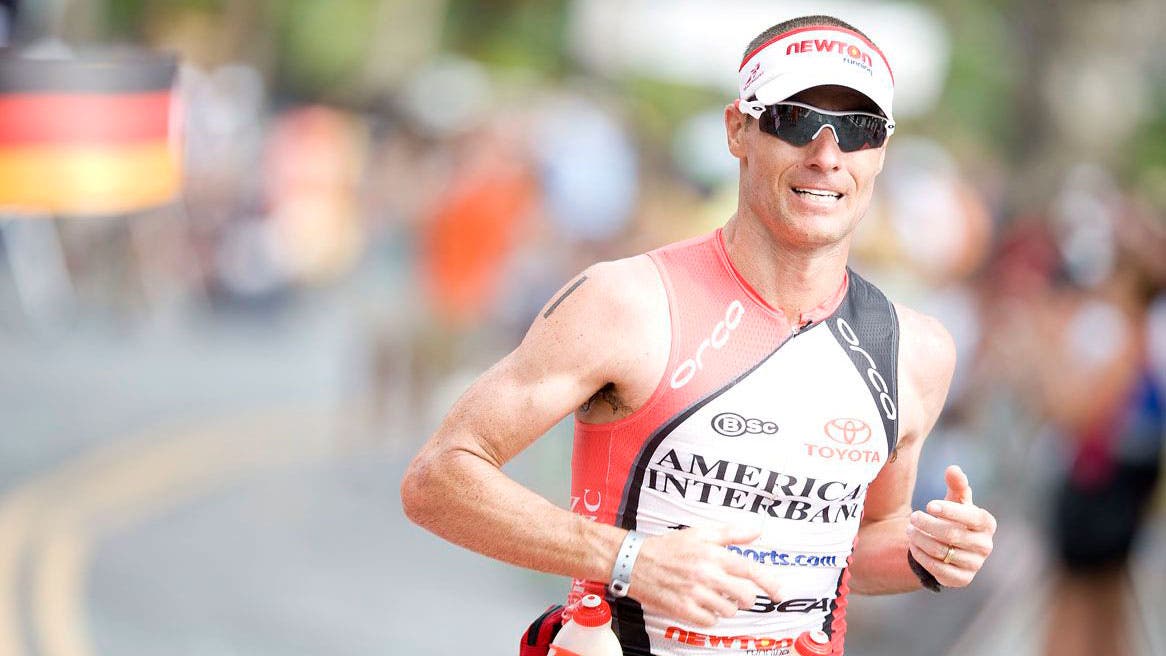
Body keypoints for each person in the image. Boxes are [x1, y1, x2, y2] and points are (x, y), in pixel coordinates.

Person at [401, 14, 997, 655]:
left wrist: (926, 549)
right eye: (794, 120)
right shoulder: (626, 303)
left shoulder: (913, 350)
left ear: (880, 152)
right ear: (738, 129)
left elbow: (859, 547)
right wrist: (630, 558)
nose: (827, 155)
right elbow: (438, 479)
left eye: (858, 130)